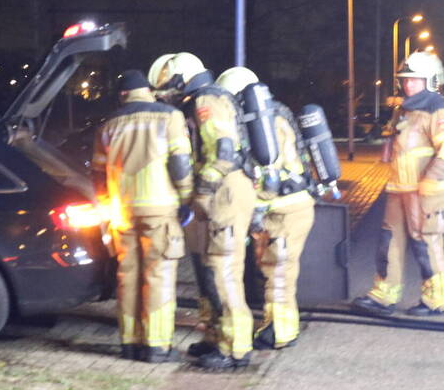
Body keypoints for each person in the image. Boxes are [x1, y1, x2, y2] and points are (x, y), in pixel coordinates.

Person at [152, 53, 257, 369]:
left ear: (181, 79)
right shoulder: (200, 100)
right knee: (208, 269)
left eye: (168, 87)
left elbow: (223, 152)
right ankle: (214, 337)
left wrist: (202, 192)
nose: (165, 94)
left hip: (224, 192)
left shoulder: (206, 100)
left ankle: (234, 349)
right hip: (220, 193)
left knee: (222, 270)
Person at [91, 69, 193, 362]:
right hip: (159, 210)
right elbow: (180, 164)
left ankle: (129, 342)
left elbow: (98, 174)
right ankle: (156, 346)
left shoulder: (108, 125)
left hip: (123, 212)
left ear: (122, 95)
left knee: (127, 276)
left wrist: (107, 209)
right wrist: (187, 198)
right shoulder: (168, 116)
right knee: (158, 275)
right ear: (148, 90)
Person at [216, 66, 315, 349]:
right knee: (277, 267)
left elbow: (260, 172)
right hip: (292, 204)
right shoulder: (279, 112)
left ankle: (280, 331)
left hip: (283, 208)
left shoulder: (255, 122)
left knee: (279, 270)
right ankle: (278, 325)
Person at [353, 51, 444, 317]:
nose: (408, 85)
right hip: (399, 189)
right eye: (405, 80)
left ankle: (436, 299)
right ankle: (384, 295)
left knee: (426, 243)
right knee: (388, 241)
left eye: (414, 80)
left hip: (424, 191)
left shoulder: (436, 110)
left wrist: (432, 178)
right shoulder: (405, 109)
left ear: (430, 80)